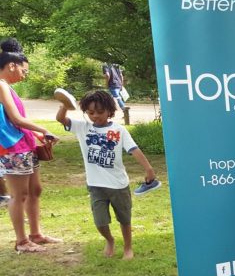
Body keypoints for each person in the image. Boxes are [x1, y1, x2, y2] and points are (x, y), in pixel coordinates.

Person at [56, 90, 157, 260]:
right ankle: (109, 240)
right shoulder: (83, 128)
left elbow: (134, 149)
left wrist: (148, 169)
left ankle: (128, 247)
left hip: (118, 185)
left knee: (124, 219)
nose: (95, 116)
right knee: (100, 222)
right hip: (96, 185)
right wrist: (65, 106)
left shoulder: (119, 130)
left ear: (110, 110)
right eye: (91, 113)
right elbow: (61, 119)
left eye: (100, 112)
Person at [0, 39, 60, 253]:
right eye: (23, 71)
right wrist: (43, 130)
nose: (24, 76)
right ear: (12, 65)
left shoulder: (8, 87)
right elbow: (16, 119)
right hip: (13, 149)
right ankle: (21, 241)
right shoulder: (0, 85)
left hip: (26, 145)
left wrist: (36, 134)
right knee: (19, 195)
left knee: (35, 190)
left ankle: (36, 234)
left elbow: (15, 120)